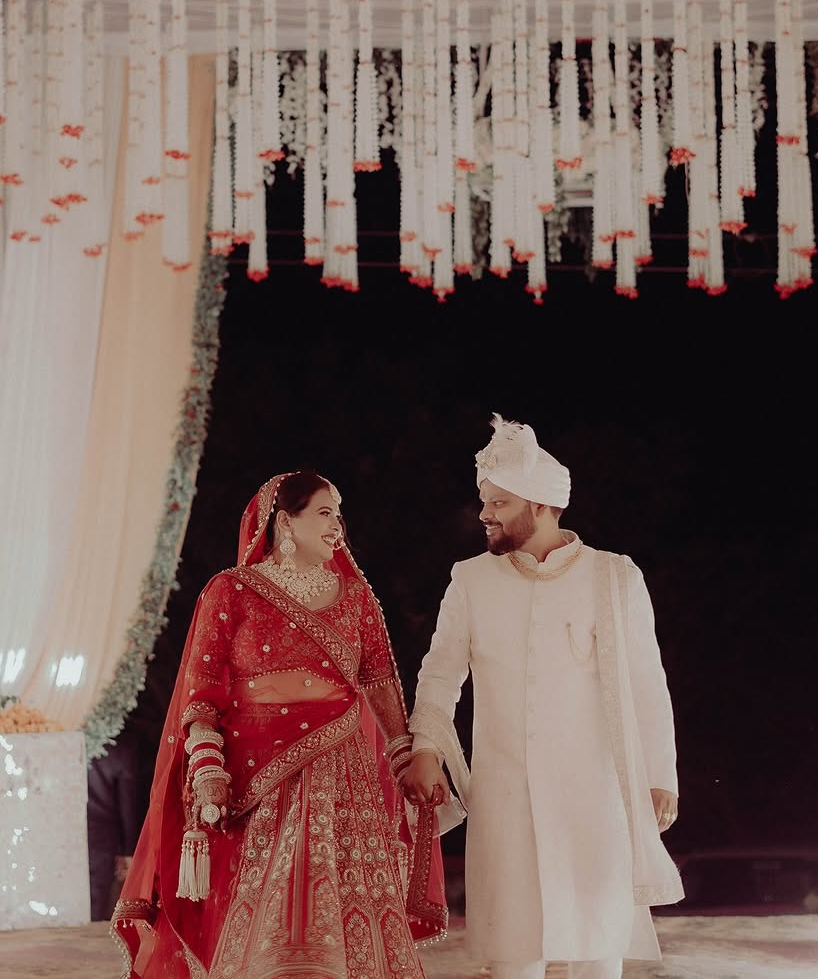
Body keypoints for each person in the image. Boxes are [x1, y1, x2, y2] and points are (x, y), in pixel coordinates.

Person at [112, 470, 447, 978]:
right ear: (285, 522)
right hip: (258, 777)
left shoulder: (356, 597)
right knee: (267, 906)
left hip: (344, 777)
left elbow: (380, 682)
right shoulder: (232, 591)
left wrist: (404, 759)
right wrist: (206, 767)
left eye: (339, 514)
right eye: (325, 512)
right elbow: (200, 692)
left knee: (345, 904)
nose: (338, 526)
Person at [400, 416, 683, 979]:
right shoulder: (470, 579)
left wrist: (659, 775)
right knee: (512, 954)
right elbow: (440, 672)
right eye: (485, 501)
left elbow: (648, 682)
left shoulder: (614, 577)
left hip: (594, 799)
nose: (485, 514)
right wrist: (427, 746)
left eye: (499, 503)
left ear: (542, 506)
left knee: (597, 948)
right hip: (505, 799)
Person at [87, 723, 141, 921]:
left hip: (67, 830)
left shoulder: (65, 737)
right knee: (97, 900)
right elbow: (128, 803)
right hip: (103, 836)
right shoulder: (120, 746)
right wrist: (128, 850)